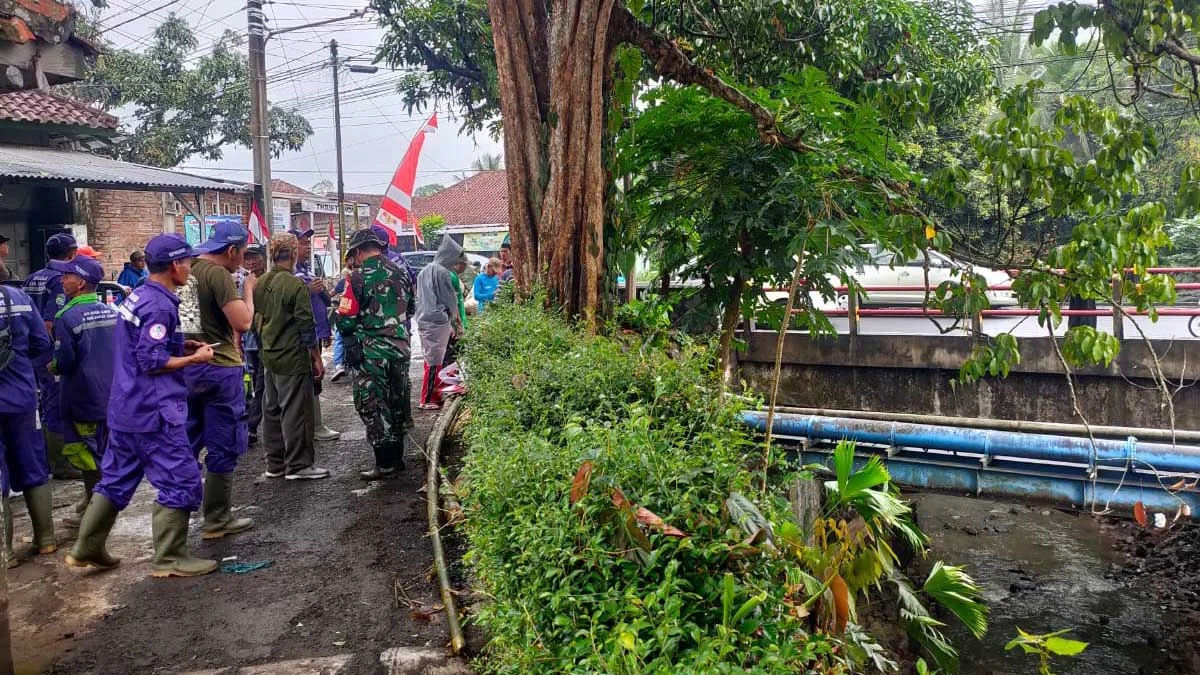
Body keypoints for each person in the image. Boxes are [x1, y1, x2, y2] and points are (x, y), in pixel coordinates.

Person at [66, 234, 218, 577]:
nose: (190, 269)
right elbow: (151, 361)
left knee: (116, 478)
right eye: (188, 263)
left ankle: (86, 546)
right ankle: (169, 557)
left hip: (125, 408)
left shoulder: (139, 296)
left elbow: (144, 346)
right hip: (155, 411)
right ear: (176, 265)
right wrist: (195, 357)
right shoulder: (161, 304)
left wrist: (180, 344)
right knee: (182, 478)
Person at [183, 222, 256, 539]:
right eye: (242, 253)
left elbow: (187, 324)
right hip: (221, 368)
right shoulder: (219, 275)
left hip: (190, 366)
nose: (242, 258)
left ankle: (179, 512)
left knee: (189, 440)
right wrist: (248, 291)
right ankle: (216, 518)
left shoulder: (189, 272)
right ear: (231, 250)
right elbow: (243, 321)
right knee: (223, 442)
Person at [334, 229, 414, 480]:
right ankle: (398, 457)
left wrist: (349, 334)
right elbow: (410, 308)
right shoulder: (402, 272)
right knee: (397, 400)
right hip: (400, 347)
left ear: (358, 251)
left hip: (371, 352)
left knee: (372, 404)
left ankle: (384, 462)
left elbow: (346, 317)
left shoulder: (356, 278)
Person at [50, 256, 117, 530]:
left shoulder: (67, 317)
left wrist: (50, 364)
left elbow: (64, 362)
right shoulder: (111, 312)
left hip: (82, 397)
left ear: (80, 283)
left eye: (67, 276)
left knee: (89, 459)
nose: (62, 280)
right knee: (105, 453)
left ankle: (95, 513)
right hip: (110, 396)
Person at [255, 232, 329, 480]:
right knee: (296, 411)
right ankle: (298, 465)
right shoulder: (295, 284)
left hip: (269, 354)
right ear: (294, 254)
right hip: (292, 355)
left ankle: (275, 464)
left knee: (272, 409)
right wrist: (316, 357)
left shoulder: (261, 282)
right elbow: (306, 325)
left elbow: (258, 319)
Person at [0, 281, 56, 568]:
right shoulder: (17, 298)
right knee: (33, 464)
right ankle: (45, 539)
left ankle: (5, 554)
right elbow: (41, 344)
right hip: (21, 397)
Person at [23, 232, 78, 480]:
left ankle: (46, 457)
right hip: (46, 352)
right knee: (54, 403)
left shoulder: (32, 277)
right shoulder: (58, 280)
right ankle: (59, 463)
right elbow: (48, 322)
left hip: (28, 352)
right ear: (71, 253)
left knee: (43, 404)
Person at [290, 227, 340, 442]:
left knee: (315, 379)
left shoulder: (307, 270)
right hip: (299, 336)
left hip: (315, 331)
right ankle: (310, 427)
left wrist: (325, 329)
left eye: (306, 243)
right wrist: (309, 290)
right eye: (302, 243)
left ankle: (315, 424)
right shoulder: (290, 275)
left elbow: (321, 302)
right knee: (308, 378)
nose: (306, 247)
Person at [415, 236, 467, 410]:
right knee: (434, 362)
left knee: (432, 360)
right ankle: (428, 398)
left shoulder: (425, 270)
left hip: (425, 320)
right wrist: (456, 322)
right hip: (437, 322)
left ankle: (436, 394)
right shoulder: (443, 273)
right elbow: (450, 301)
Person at [242, 244, 267, 443]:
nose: (251, 261)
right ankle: (248, 424)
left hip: (264, 341)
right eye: (247, 257)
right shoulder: (239, 280)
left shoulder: (269, 280)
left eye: (255, 257)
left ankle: (251, 425)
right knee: (248, 384)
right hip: (244, 342)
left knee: (260, 384)